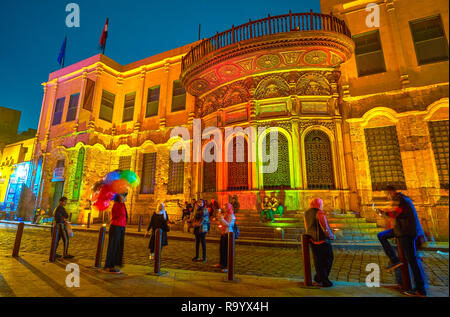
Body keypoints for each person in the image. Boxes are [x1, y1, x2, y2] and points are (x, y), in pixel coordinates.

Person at [376, 186, 428, 297]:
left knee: (412, 260)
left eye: (387, 194)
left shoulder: (401, 200)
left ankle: (420, 289)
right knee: (381, 236)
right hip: (400, 230)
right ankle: (396, 264)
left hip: (406, 233)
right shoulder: (402, 199)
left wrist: (381, 213)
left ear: (391, 192)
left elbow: (395, 214)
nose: (387, 197)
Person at [304, 198, 334, 287]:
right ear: (319, 204)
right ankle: (324, 280)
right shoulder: (319, 213)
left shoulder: (307, 213)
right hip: (322, 240)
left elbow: (306, 226)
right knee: (328, 259)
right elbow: (325, 226)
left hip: (312, 239)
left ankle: (318, 277)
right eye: (321, 204)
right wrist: (330, 235)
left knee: (318, 260)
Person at [104, 194, 127, 273]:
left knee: (119, 247)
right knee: (114, 246)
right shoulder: (116, 205)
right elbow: (116, 216)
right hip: (116, 227)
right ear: (119, 197)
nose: (125, 198)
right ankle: (111, 266)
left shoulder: (122, 205)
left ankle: (116, 264)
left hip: (121, 227)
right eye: (123, 196)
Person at [214, 203, 236, 273]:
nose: (224, 209)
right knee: (222, 249)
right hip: (223, 233)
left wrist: (222, 219)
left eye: (226, 207)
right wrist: (219, 219)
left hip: (228, 234)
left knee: (227, 251)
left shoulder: (231, 215)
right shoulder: (226, 214)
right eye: (224, 207)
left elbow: (228, 224)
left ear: (229, 208)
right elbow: (223, 223)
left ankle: (227, 266)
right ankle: (221, 263)